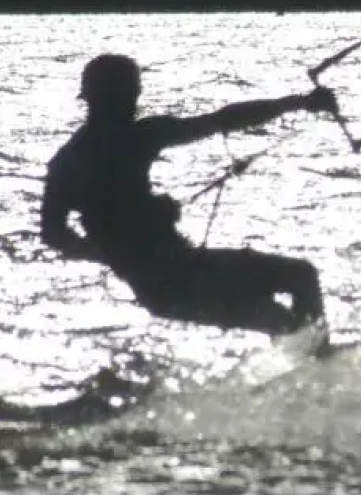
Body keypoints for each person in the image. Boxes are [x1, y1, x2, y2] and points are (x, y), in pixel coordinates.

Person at [40, 52, 338, 341]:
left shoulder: (82, 156)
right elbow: (55, 233)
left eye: (135, 94)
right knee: (300, 277)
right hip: (182, 282)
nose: (134, 102)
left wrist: (116, 251)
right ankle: (318, 359)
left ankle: (305, 363)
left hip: (174, 281)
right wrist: (121, 245)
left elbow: (222, 119)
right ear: (107, 98)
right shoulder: (129, 141)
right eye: (130, 94)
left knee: (281, 317)